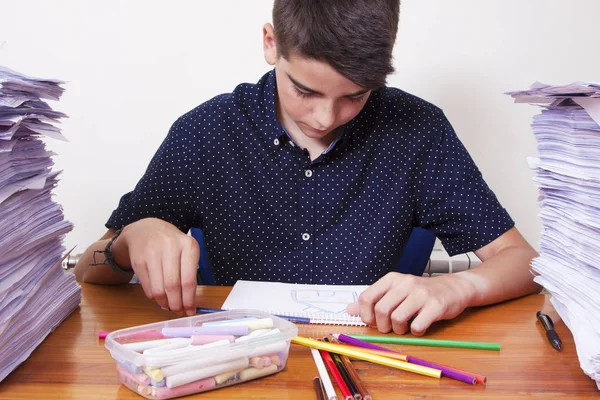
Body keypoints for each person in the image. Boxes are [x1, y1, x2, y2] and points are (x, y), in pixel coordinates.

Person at [74, 0, 540, 336]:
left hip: (374, 358)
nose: (324, 119)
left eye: (354, 96)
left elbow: (525, 262)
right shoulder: (207, 131)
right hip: (231, 359)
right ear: (270, 43)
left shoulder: (417, 130)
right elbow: (89, 270)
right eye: (306, 91)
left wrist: (459, 287)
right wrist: (132, 238)